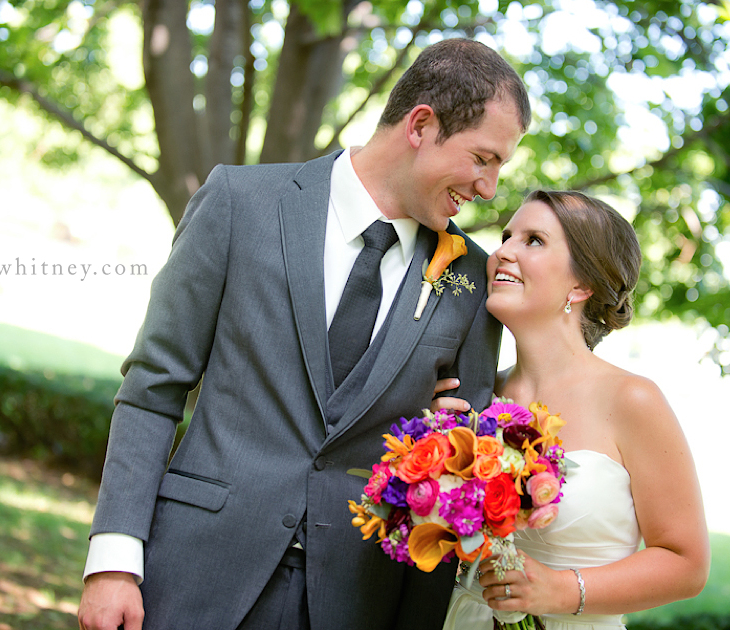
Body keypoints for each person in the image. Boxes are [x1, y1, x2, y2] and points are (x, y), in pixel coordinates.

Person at [77, 38, 532, 630]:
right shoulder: (240, 203)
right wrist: (113, 563)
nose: (489, 188)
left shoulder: (470, 278)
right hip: (194, 574)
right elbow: (152, 387)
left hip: (357, 600)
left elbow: (452, 491)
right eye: (483, 158)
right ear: (421, 125)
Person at [436, 190, 710, 630]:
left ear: (581, 285)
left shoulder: (632, 400)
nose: (502, 251)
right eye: (507, 236)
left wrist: (562, 590)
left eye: (534, 240)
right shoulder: (472, 396)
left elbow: (687, 564)